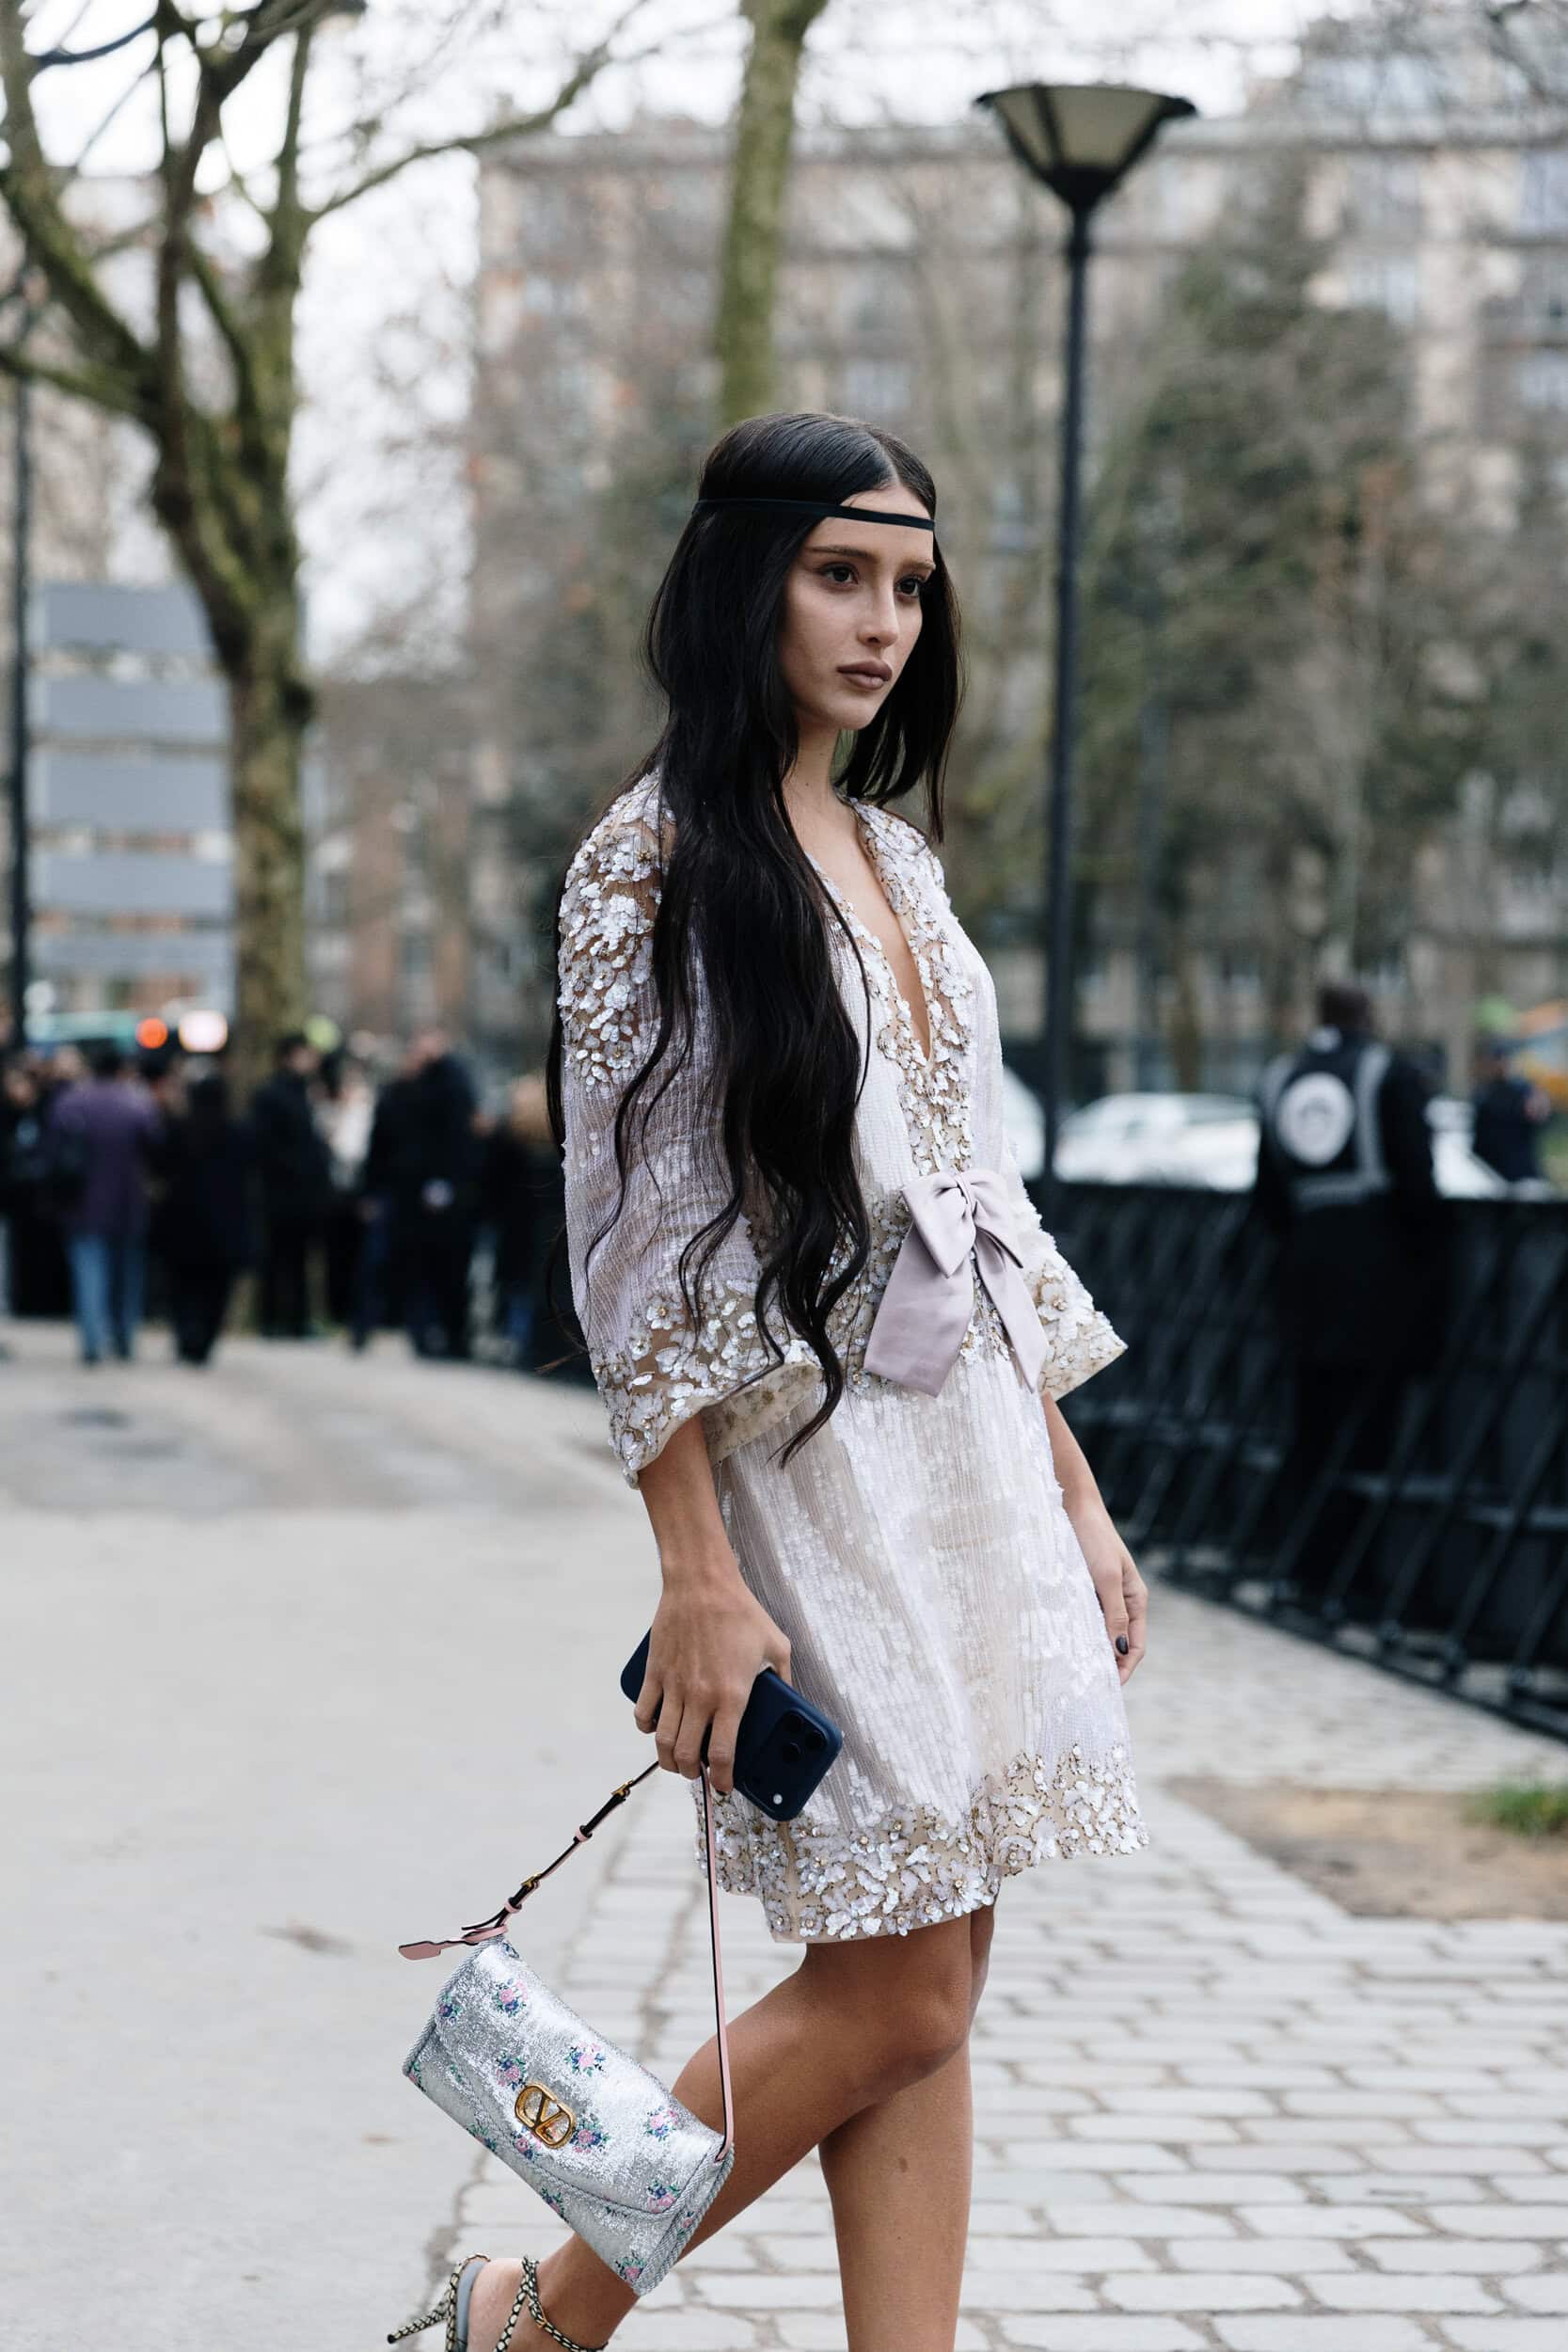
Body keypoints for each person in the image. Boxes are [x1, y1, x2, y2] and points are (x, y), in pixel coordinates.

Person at [402, 413, 1148, 2352]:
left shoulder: (892, 851)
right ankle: (537, 2314)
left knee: (932, 1977)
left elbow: (975, 1200)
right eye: (838, 575)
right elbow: (628, 1246)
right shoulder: (645, 860)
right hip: (807, 1465)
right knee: (889, 1988)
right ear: (745, 579)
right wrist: (695, 1567)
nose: (882, 620)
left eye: (907, 584)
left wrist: (1071, 1493)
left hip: (970, 1454)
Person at [1254, 981, 1448, 1608]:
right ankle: (1355, 1581)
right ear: (1368, 1016)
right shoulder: (1387, 1072)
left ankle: (1304, 1570)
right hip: (1378, 1283)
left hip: (1301, 1283)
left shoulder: (1280, 1078)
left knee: (1308, 1432)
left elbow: (1267, 1199)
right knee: (1369, 1438)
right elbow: (1419, 1184)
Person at [49, 1043, 161, 1364]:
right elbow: (156, 1145)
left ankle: (91, 1340)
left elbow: (52, 1150)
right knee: (128, 1275)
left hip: (83, 1202)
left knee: (89, 1271)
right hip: (128, 1201)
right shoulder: (137, 1104)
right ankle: (124, 1337)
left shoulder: (71, 1102)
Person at [149, 1073, 254, 1365]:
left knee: (182, 1285)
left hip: (184, 1221)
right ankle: (204, 1339)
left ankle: (186, 1334)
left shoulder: (180, 1128)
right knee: (216, 1287)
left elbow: (160, 1164)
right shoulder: (238, 1132)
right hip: (224, 1223)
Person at [395, 1029, 481, 1360]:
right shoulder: (440, 1084)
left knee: (439, 1268)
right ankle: (442, 1334)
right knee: (439, 1268)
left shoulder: (442, 1085)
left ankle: (442, 1334)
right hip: (438, 1189)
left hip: (440, 1189)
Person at [249, 1032, 331, 1338]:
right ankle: (272, 1319)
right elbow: (267, 1145)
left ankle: (297, 1318)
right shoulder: (273, 1095)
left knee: (297, 1257)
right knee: (277, 1256)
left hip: (302, 1192)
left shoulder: (305, 1092)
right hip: (281, 1191)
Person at [480, 1074, 560, 1369]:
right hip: (542, 1225)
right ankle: (526, 1343)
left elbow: (491, 1182)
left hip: (513, 1223)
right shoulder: (555, 1142)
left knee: (511, 1284)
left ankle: (512, 1340)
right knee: (532, 1286)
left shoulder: (507, 1139)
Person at [1472, 1040, 1551, 1186]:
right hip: (1492, 1168)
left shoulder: (1523, 1090)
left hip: (1520, 1169)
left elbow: (1538, 1115)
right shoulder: (1484, 1093)